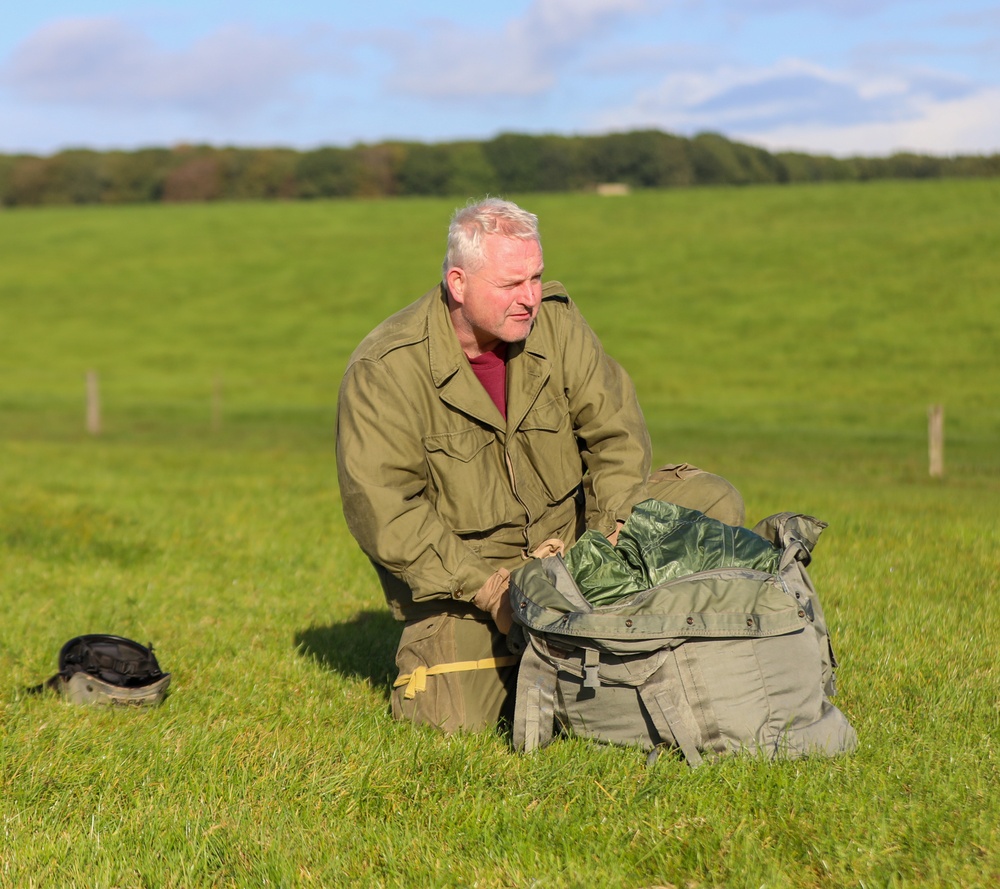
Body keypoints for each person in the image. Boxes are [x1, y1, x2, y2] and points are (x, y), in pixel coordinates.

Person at [335, 197, 744, 735]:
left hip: (581, 544)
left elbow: (616, 435)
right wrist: (492, 590)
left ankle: (618, 636)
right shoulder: (385, 369)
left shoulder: (556, 324)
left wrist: (607, 542)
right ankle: (607, 650)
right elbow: (386, 512)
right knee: (445, 720)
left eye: (536, 277)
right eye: (510, 284)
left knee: (711, 500)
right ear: (458, 283)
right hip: (479, 582)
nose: (530, 298)